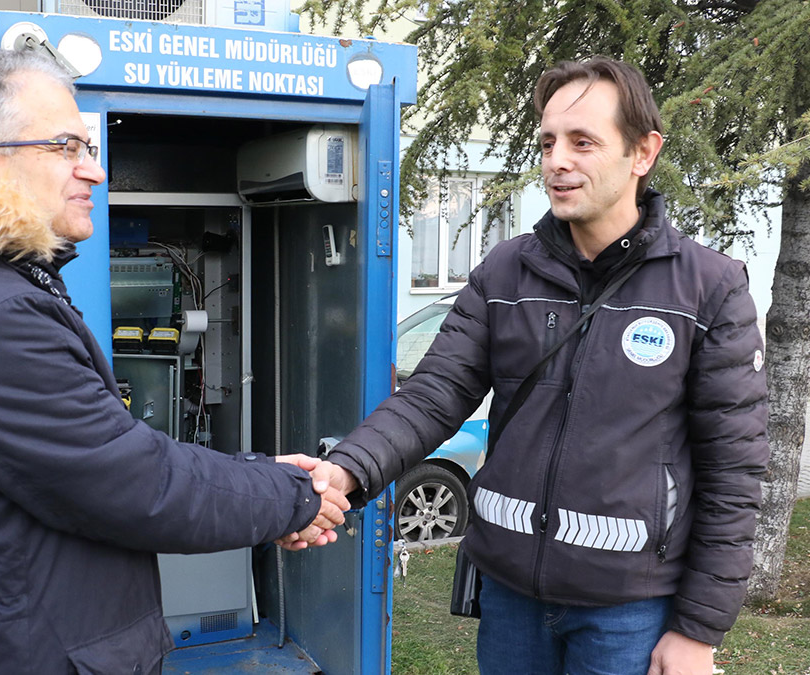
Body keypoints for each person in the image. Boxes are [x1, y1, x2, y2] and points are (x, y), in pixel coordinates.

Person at [0, 49, 347, 674]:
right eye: (66, 148)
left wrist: (264, 477)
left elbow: (112, 467)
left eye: (87, 147)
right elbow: (135, 483)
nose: (96, 172)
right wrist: (291, 493)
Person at [317, 57, 769, 674]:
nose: (558, 160)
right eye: (549, 142)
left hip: (628, 610)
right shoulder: (505, 272)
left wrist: (697, 629)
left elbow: (734, 475)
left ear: (643, 153)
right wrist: (344, 472)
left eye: (583, 142)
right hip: (510, 600)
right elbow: (433, 396)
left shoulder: (709, 288)